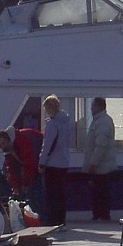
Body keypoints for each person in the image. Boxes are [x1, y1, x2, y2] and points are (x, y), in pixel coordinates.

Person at [0, 125, 44, 219]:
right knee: (6, 171)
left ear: (9, 139)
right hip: (30, 162)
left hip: (40, 160)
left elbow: (29, 163)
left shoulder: (23, 140)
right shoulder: (8, 149)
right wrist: (16, 187)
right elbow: (11, 168)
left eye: (3, 143)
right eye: (0, 145)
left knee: (35, 188)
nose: (3, 146)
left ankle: (40, 217)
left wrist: (25, 184)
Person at [83, 96, 118, 221]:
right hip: (101, 167)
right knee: (99, 193)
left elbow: (100, 146)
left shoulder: (102, 122)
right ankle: (100, 214)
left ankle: (101, 216)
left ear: (98, 107)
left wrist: (93, 164)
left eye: (93, 106)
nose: (91, 108)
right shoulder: (100, 121)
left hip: (102, 168)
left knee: (100, 193)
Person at [38, 94, 70, 226]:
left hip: (52, 164)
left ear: (51, 108)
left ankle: (52, 221)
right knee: (61, 194)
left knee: (51, 195)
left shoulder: (52, 124)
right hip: (64, 162)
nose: (46, 111)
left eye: (46, 108)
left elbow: (48, 145)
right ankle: (61, 220)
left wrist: (41, 162)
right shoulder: (66, 123)